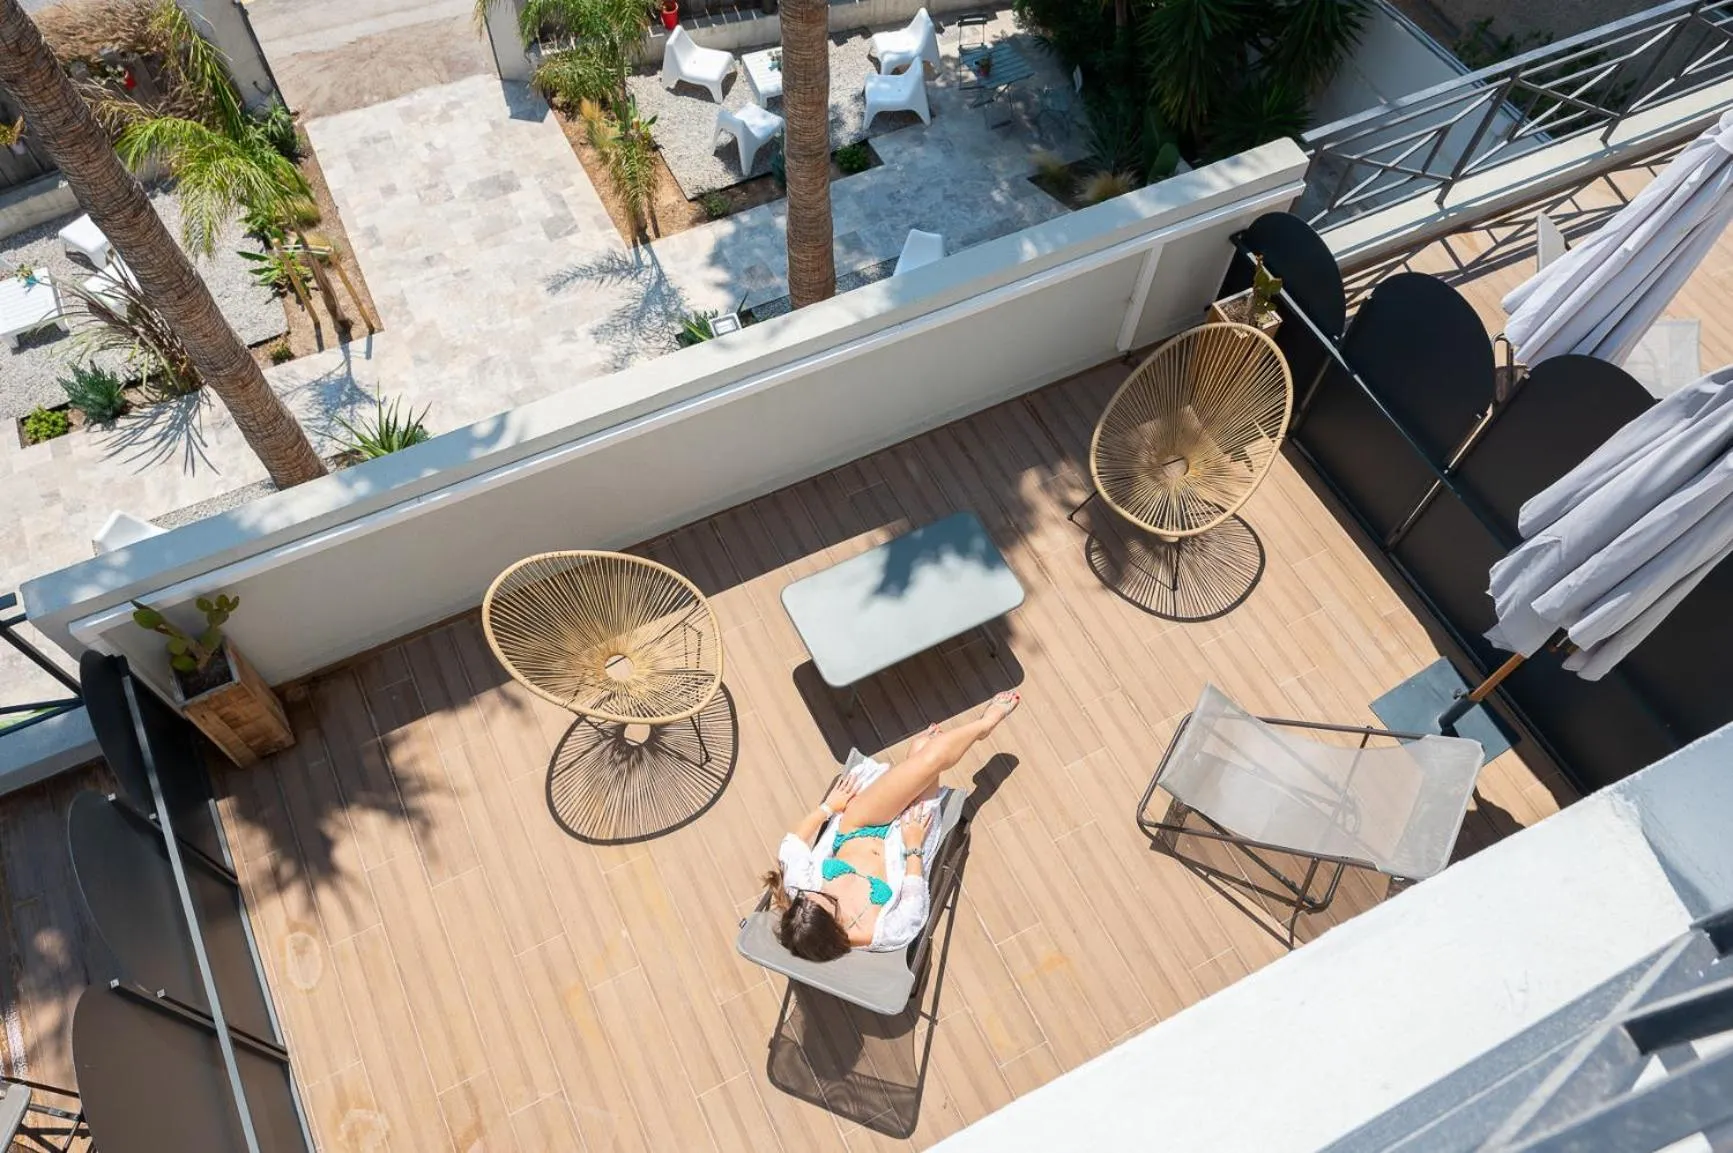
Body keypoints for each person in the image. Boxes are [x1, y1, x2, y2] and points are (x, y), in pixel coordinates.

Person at [761, 690, 1021, 959]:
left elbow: (792, 844)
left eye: (807, 897)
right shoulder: (879, 932)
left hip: (860, 823)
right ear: (835, 929)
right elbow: (914, 903)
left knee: (930, 759)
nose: (812, 894)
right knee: (925, 754)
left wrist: (829, 807)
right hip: (906, 840)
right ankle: (922, 755)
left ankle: (984, 725)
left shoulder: (801, 896)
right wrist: (914, 846)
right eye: (827, 902)